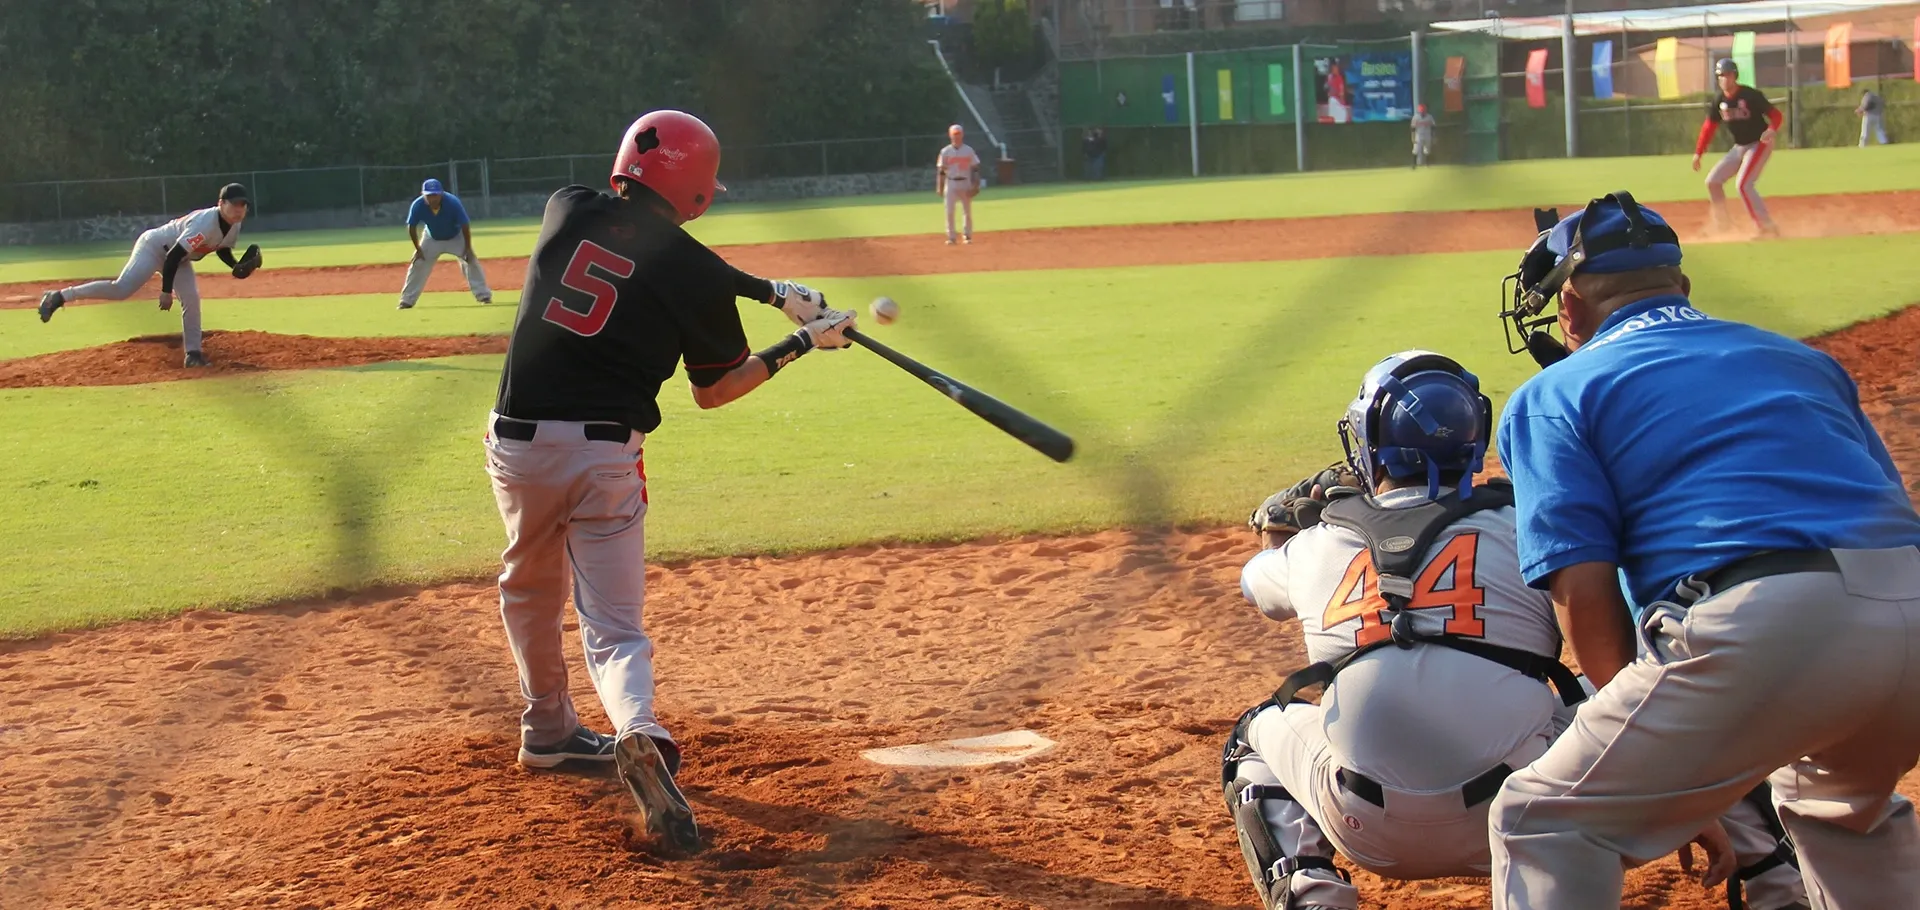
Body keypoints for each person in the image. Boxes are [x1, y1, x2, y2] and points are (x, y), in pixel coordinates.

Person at [1222, 350, 1807, 910]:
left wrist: (1288, 534)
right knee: (1673, 697)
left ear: (1370, 444)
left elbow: (1258, 586)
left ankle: (1310, 894)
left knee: (1256, 732)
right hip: (1541, 811)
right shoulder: (1529, 519)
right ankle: (1779, 884)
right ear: (1474, 441)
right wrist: (1676, 782)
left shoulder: (1315, 545)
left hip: (1362, 822)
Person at [1488, 191, 1920, 909]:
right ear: (1682, 287)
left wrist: (1651, 761)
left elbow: (1585, 595)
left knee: (1545, 821)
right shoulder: (1801, 361)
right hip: (1908, 608)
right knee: (1843, 813)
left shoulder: (1556, 393)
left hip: (1767, 618)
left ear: (1568, 311)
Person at [484, 109, 857, 853]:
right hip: (603, 459)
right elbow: (715, 389)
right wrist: (801, 340)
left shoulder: (569, 206)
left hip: (517, 449)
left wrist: (770, 288)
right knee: (614, 625)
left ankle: (547, 729)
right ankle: (638, 730)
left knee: (528, 587)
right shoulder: (695, 279)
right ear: (699, 191)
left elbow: (664, 254)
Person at [36, 183, 260, 367]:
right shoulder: (204, 223)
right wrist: (165, 291)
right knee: (121, 289)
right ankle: (59, 296)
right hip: (154, 248)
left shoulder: (234, 225)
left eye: (243, 205)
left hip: (179, 259)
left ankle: (193, 355)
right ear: (221, 204)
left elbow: (220, 247)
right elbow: (172, 256)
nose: (239, 209)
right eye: (234, 204)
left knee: (191, 299)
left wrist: (234, 265)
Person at [1692, 58, 1783, 237]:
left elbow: (1776, 115)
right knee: (1713, 182)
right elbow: (1708, 128)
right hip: (1740, 146)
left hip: (1760, 143)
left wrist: (1772, 129)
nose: (1724, 79)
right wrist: (1698, 153)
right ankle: (1723, 226)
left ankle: (1766, 227)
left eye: (1727, 75)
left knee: (1744, 184)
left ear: (1735, 76)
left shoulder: (1750, 95)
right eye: (1720, 76)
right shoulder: (1719, 100)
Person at [398, 177, 492, 309]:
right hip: (432, 238)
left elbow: (465, 225)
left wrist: (468, 248)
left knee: (470, 261)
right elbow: (411, 226)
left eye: (435, 195)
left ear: (441, 193)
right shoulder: (418, 205)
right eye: (429, 196)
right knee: (418, 263)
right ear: (423, 195)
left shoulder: (452, 202)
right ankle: (407, 300)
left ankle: (483, 295)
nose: (433, 199)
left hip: (455, 236)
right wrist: (418, 249)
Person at [936, 123, 981, 245]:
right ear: (950, 136)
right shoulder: (945, 151)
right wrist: (939, 186)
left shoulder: (968, 150)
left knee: (967, 211)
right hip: (950, 182)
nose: (956, 137)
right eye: (954, 134)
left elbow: (975, 168)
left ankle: (967, 235)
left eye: (958, 134)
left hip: (965, 182)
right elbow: (941, 170)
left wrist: (976, 185)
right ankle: (951, 236)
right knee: (949, 211)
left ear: (962, 135)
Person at [1410, 104, 1436, 169]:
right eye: (1421, 111)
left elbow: (1433, 127)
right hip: (1418, 135)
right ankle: (1414, 164)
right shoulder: (1415, 117)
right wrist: (1413, 137)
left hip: (1427, 134)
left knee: (1427, 149)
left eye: (1423, 111)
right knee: (1416, 149)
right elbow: (1413, 128)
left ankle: (1428, 164)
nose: (1422, 112)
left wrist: (1434, 136)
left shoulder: (1429, 117)